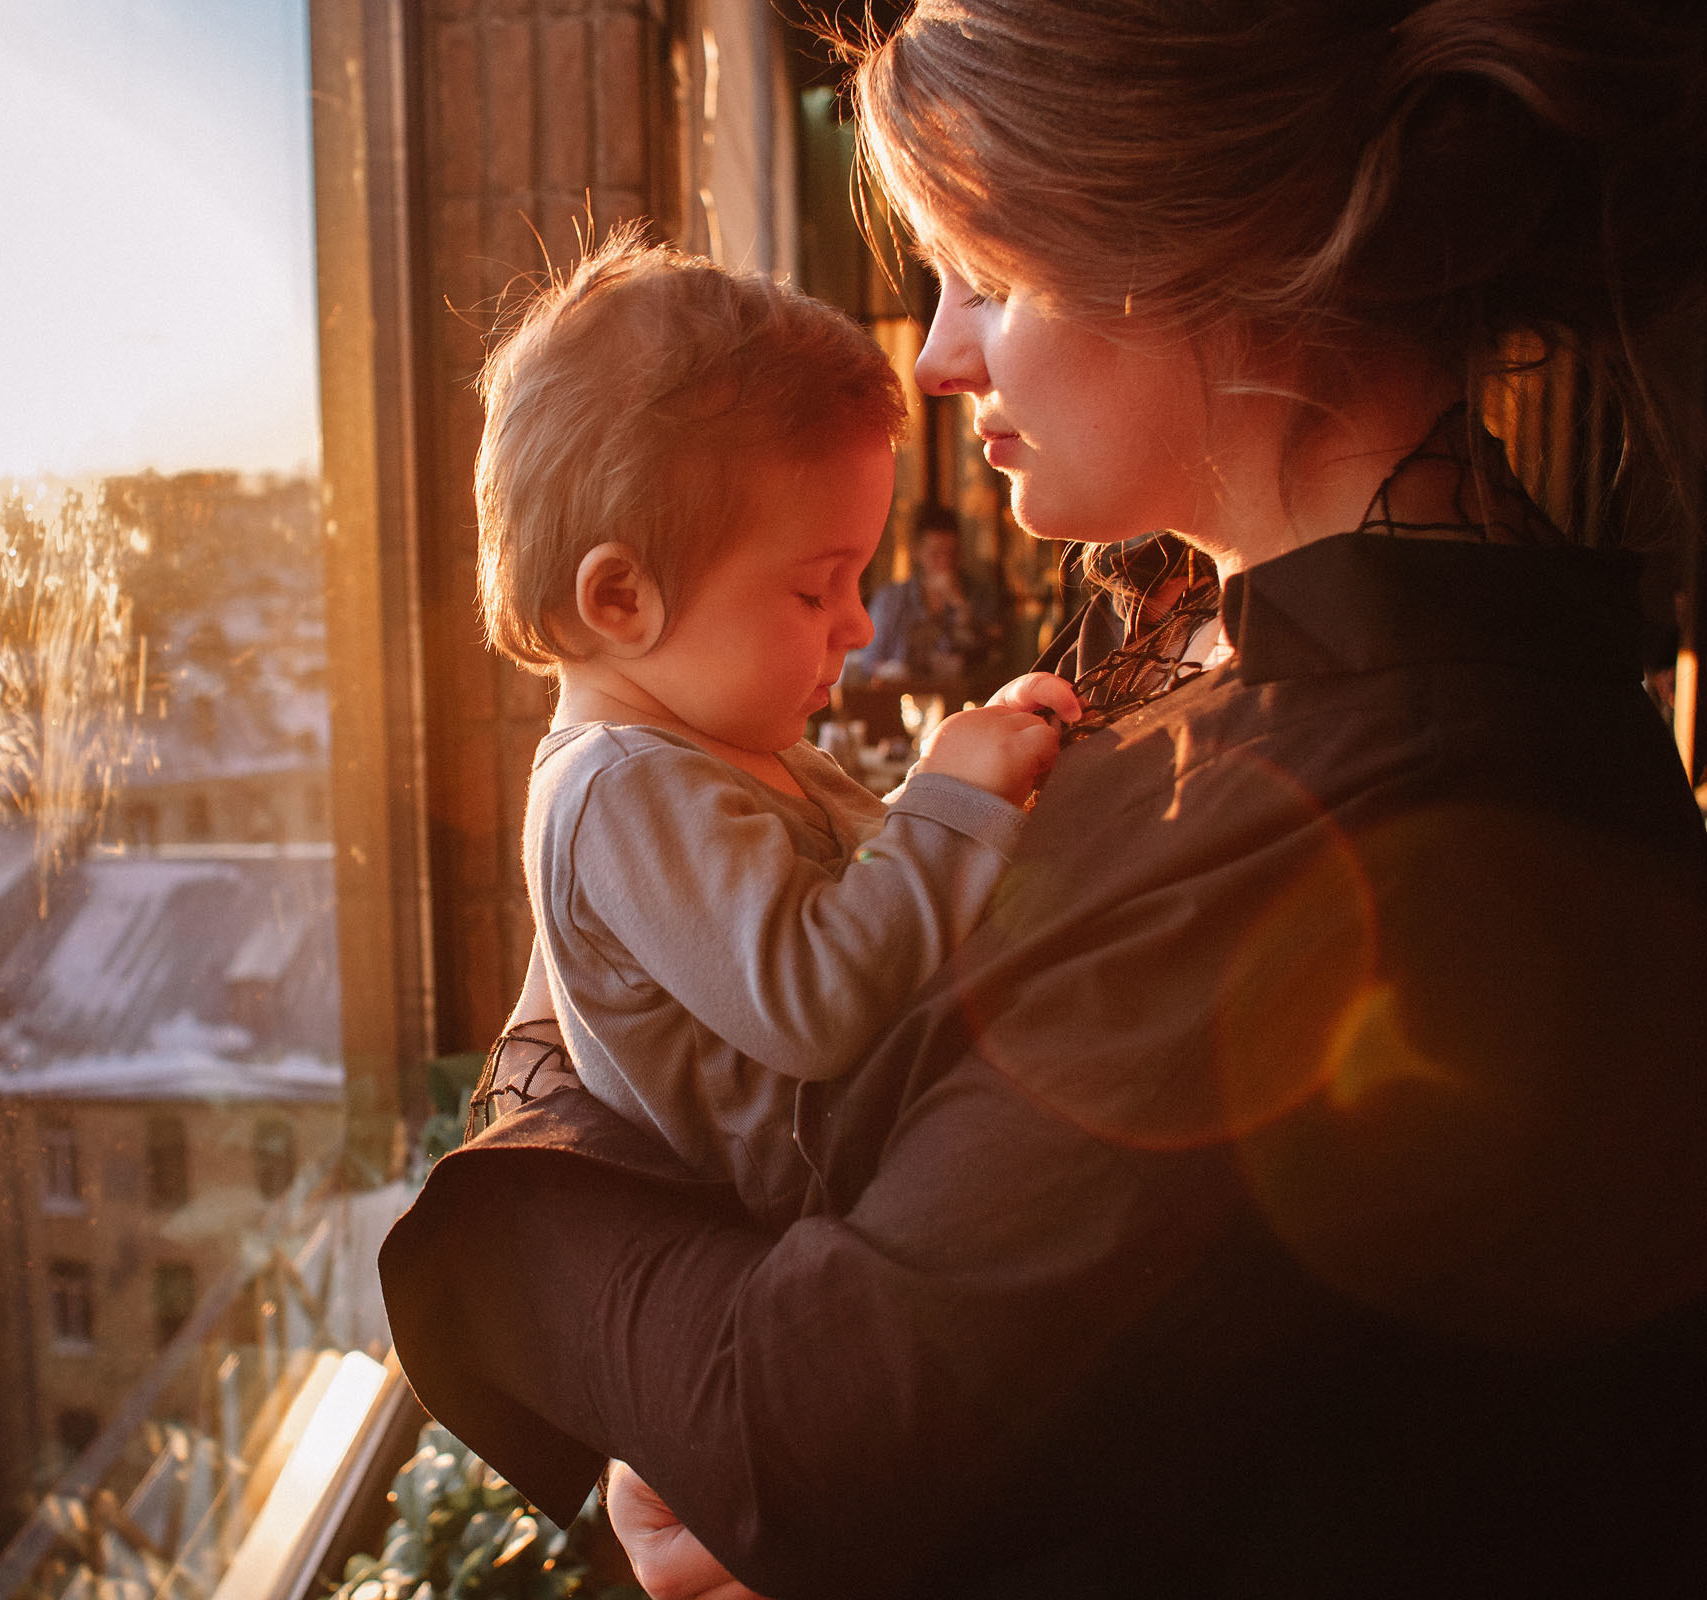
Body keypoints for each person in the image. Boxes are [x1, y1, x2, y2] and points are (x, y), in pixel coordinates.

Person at [381, 1, 1707, 1595]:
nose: (937, 356)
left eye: (989, 278)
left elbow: (831, 1435)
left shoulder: (1389, 815)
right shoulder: (1268, 661)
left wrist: (516, 1209)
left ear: (1219, 253)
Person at [471, 236, 1079, 1222]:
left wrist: (962, 781)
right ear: (622, 596)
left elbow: (866, 888)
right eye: (815, 587)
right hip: (819, 1201)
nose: (856, 624)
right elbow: (817, 1000)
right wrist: (949, 801)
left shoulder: (717, 744)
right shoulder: (619, 788)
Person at [847, 506, 1002, 697]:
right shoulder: (890, 600)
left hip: (961, 703)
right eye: (936, 554)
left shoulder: (979, 596)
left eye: (952, 554)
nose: (945, 562)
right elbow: (868, 661)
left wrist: (959, 605)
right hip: (899, 702)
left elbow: (991, 661)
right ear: (917, 551)